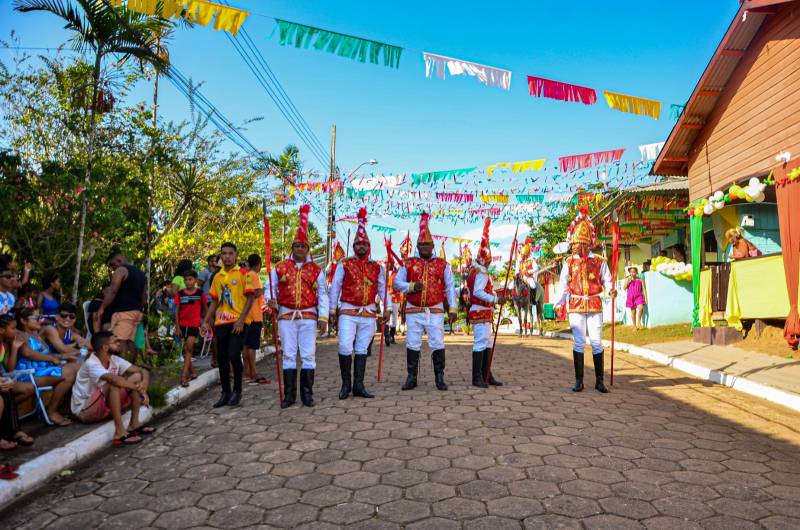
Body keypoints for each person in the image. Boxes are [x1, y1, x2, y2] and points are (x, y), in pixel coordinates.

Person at [267, 205, 329, 408]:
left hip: (309, 317)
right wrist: (270, 299)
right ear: (292, 248)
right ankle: (290, 395)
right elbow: (270, 286)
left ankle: (307, 394)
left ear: (308, 249)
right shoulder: (280, 267)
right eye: (296, 246)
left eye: (303, 246)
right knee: (288, 354)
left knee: (308, 354)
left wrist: (324, 317)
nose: (299, 249)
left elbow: (323, 295)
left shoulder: (316, 270)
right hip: (286, 316)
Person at [329, 208, 390, 400]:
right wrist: (331, 309)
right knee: (345, 346)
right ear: (354, 246)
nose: (361, 246)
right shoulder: (344, 264)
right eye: (358, 244)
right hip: (348, 311)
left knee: (362, 348)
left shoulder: (376, 267)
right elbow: (335, 287)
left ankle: (359, 385)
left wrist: (386, 307)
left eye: (364, 243)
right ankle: (345, 385)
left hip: (369, 313)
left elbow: (382, 289)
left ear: (369, 246)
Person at [554, 207, 616, 394]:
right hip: (576, 304)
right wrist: (560, 302)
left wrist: (612, 289)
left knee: (597, 341)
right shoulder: (569, 263)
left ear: (588, 244)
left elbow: (607, 279)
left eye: (581, 245)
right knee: (579, 342)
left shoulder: (599, 261)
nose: (577, 248)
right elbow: (563, 285)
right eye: (576, 245)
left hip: (595, 303)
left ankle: (599, 381)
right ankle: (579, 381)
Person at [393, 212, 457, 391]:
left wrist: (453, 308)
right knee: (412, 342)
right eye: (421, 245)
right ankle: (411, 377)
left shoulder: (442, 264)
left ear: (432, 245)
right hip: (414, 309)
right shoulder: (408, 263)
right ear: (417, 246)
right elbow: (397, 283)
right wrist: (412, 287)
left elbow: (450, 286)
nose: (424, 247)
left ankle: (439, 376)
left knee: (437, 341)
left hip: (435, 310)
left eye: (427, 244)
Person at [71, 331, 153, 446]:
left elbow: (141, 371)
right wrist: (139, 389)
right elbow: (114, 380)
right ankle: (119, 432)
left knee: (136, 377)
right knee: (113, 383)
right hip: (85, 411)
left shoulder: (114, 359)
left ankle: (134, 424)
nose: (119, 343)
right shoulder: (91, 363)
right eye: (115, 342)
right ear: (105, 347)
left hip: (102, 405)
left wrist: (144, 384)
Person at [201, 242, 255, 408]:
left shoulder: (244, 274)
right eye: (224, 254)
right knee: (222, 357)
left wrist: (241, 320)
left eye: (231, 253)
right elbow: (215, 300)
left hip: (239, 321)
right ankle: (225, 392)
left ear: (236, 254)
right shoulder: (217, 277)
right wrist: (206, 320)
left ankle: (237, 391)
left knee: (233, 354)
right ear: (220, 256)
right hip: (221, 321)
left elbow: (251, 298)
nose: (227, 257)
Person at [14, 307, 79, 425]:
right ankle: (52, 411)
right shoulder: (20, 334)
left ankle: (65, 406)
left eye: (41, 318)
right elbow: (28, 353)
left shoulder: (36, 335)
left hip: (42, 371)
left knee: (76, 366)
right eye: (36, 318)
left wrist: (62, 357)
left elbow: (48, 354)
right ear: (23, 321)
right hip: (28, 375)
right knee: (69, 373)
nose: (41, 320)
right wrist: (52, 358)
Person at [465, 218, 505, 388]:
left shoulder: (478, 271)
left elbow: (484, 290)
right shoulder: (481, 272)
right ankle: (477, 377)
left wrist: (494, 294)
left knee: (487, 342)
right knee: (481, 343)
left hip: (484, 310)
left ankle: (486, 374)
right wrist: (495, 299)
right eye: (488, 260)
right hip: (480, 310)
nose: (490, 262)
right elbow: (478, 292)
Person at [95, 251, 146, 360]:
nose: (113, 269)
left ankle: (124, 370)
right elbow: (144, 296)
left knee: (120, 340)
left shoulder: (121, 270)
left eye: (113, 265)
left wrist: (101, 308)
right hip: (137, 312)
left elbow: (113, 291)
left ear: (119, 260)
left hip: (123, 311)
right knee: (131, 341)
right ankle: (131, 367)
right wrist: (140, 310)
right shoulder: (141, 274)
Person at [0, 314, 34, 449]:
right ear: (1, 330)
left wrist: (14, 348)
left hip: (2, 378)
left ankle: (13, 430)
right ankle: (11, 431)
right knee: (5, 392)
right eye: (13, 328)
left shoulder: (5, 344)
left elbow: (9, 367)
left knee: (25, 388)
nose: (16, 331)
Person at [174, 270, 207, 387]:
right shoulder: (180, 294)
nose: (188, 282)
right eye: (186, 280)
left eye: (190, 279)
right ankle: (192, 372)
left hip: (194, 324)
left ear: (195, 280)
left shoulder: (200, 293)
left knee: (189, 348)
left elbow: (205, 309)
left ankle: (184, 376)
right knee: (186, 350)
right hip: (182, 325)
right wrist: (177, 327)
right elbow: (177, 311)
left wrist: (204, 322)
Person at [243, 254, 266, 386]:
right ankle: (253, 373)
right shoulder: (253, 275)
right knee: (252, 346)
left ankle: (247, 373)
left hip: (248, 316)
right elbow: (255, 293)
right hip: (254, 316)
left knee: (246, 346)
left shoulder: (247, 274)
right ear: (258, 263)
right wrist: (264, 289)